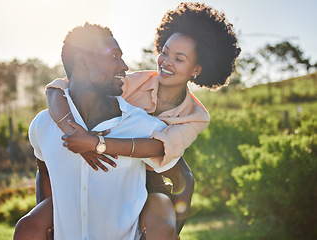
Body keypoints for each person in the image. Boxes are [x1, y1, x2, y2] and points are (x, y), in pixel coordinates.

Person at [15, 2, 240, 239]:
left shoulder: (195, 117)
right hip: (110, 175)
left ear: (196, 69)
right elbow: (63, 87)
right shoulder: (131, 82)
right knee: (28, 226)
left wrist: (96, 144)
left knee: (162, 217)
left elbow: (159, 148)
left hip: (152, 181)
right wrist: (72, 130)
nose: (166, 61)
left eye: (179, 58)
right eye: (164, 51)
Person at [14, 23, 181, 240]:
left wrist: (166, 228)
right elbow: (44, 171)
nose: (124, 65)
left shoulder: (144, 126)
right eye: (114, 57)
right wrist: (47, 217)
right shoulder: (43, 125)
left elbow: (179, 180)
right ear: (82, 61)